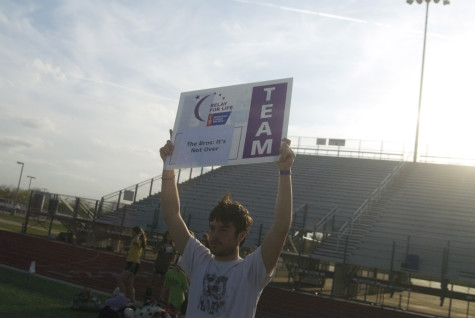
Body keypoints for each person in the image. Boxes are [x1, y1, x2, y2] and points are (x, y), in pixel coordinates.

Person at [159, 129, 295, 318]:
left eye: (224, 230)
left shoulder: (251, 271)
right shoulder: (199, 259)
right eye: (213, 228)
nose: (214, 235)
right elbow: (171, 215)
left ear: (241, 235)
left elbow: (281, 226)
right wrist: (168, 166)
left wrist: (285, 170)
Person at [117, 226, 147, 304]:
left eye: (133, 231)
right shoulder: (134, 240)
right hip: (130, 262)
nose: (131, 233)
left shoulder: (139, 240)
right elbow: (133, 248)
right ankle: (132, 301)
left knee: (119, 278)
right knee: (130, 284)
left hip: (134, 263)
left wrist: (140, 234)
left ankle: (122, 297)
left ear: (136, 232)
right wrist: (126, 248)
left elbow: (135, 241)